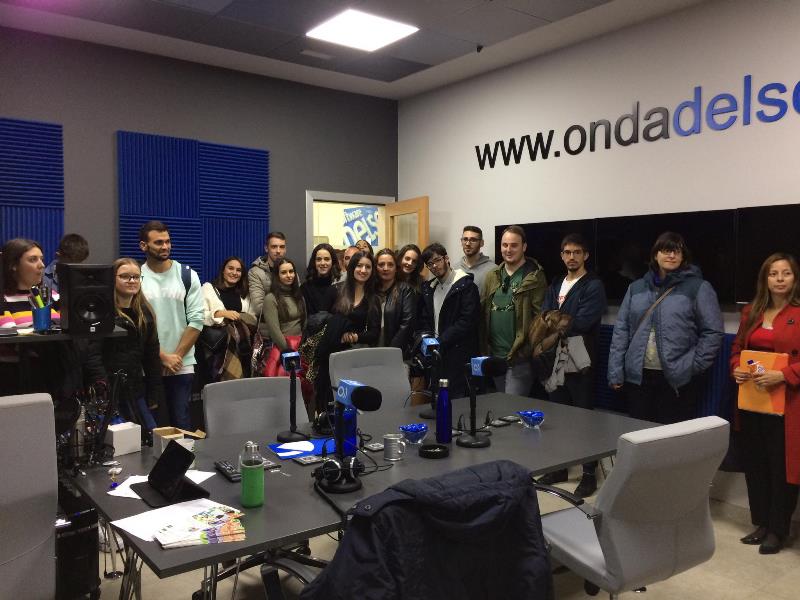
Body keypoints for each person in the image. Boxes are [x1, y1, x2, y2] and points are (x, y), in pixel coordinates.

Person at [607, 231, 724, 424]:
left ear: (683, 257)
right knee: (638, 433)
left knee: (670, 436)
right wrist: (615, 371)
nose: (671, 255)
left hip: (677, 378)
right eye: (666, 250)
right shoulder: (636, 288)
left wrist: (693, 365)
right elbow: (621, 330)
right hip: (638, 377)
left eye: (677, 251)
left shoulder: (698, 287)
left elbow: (713, 331)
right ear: (655, 255)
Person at [731, 253, 800, 554]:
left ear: (795, 278)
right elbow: (737, 349)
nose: (780, 279)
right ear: (765, 279)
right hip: (753, 400)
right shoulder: (751, 311)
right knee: (756, 464)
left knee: (781, 468)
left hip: (788, 404)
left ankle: (778, 529)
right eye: (774, 274)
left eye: (786, 273)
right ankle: (761, 523)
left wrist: (783, 375)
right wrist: (736, 367)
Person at [537, 233, 607, 497]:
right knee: (558, 416)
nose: (572, 257)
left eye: (577, 252)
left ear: (585, 255)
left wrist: (555, 322)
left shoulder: (593, 286)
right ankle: (560, 468)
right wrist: (557, 321)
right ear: (561, 255)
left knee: (583, 418)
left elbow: (582, 322)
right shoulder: (556, 283)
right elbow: (544, 315)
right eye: (567, 252)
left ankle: (588, 473)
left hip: (580, 360)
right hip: (553, 360)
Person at [0, 238, 104, 406]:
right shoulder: (3, 299)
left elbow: (77, 325)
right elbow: (12, 339)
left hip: (58, 378)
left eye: (41, 259)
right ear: (13, 265)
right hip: (18, 382)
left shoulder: (52, 295)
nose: (41, 265)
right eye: (33, 260)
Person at [139, 221, 204, 430]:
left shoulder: (187, 274)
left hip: (181, 363)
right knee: (153, 427)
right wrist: (162, 357)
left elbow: (196, 320)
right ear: (144, 246)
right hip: (148, 364)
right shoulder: (136, 277)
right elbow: (135, 324)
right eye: (158, 242)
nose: (165, 246)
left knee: (182, 422)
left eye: (167, 241)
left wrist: (175, 357)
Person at [481, 225, 546, 396]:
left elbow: (539, 320)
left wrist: (526, 351)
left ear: (524, 247)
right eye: (505, 245)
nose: (508, 250)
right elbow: (483, 312)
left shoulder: (535, 277)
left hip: (519, 359)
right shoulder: (492, 276)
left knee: (512, 407)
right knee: (500, 404)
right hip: (495, 356)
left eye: (514, 245)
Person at [103, 258, 163, 435]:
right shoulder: (103, 312)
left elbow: (152, 357)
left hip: (135, 389)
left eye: (136, 277)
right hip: (108, 391)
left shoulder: (145, 313)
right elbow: (93, 355)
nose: (132, 281)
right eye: (125, 276)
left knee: (151, 436)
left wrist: (153, 393)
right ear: (112, 279)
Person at [417, 243, 480, 399]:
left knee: (457, 401)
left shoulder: (466, 286)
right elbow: (425, 319)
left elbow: (467, 321)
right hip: (436, 354)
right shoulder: (429, 288)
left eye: (437, 260)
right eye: (430, 264)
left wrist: (440, 340)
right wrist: (426, 339)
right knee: (437, 400)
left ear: (446, 258)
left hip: (458, 354)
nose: (434, 266)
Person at [200, 256, 254, 382]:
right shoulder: (208, 288)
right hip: (217, 348)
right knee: (218, 384)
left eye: (238, 270)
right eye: (230, 268)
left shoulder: (245, 293)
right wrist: (221, 313)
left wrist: (240, 317)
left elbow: (252, 317)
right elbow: (198, 316)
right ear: (223, 270)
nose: (234, 273)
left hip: (242, 347)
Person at [375, 248, 416, 357]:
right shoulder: (370, 290)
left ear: (396, 268)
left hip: (395, 351)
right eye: (381, 264)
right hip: (371, 349)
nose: (385, 268)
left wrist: (391, 351)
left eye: (390, 265)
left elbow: (407, 324)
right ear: (376, 267)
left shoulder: (405, 290)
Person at [263, 257, 306, 359]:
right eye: (283, 272)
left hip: (300, 346)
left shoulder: (299, 296)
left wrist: (302, 346)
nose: (289, 275)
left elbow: (304, 323)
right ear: (277, 276)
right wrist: (288, 351)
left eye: (291, 271)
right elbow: (274, 331)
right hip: (282, 349)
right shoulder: (270, 298)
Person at [248, 231, 287, 339]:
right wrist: (290, 311)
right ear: (266, 248)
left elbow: (298, 300)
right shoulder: (255, 272)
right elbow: (259, 308)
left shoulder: (290, 270)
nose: (278, 251)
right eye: (274, 247)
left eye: (282, 247)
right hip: (268, 333)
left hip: (292, 331)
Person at [301, 243, 341, 317]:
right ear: (314, 262)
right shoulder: (305, 288)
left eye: (326, 259)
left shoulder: (340, 287)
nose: (322, 263)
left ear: (332, 261)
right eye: (319, 259)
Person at [459, 226, 495, 299]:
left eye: (473, 240)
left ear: (481, 243)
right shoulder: (454, 269)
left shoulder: (493, 270)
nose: (468, 243)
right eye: (465, 239)